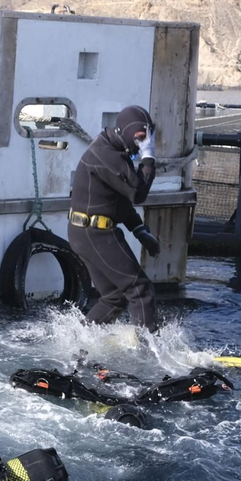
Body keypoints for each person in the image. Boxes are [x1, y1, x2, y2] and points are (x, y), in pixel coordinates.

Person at [68, 105, 162, 331]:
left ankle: (81, 342)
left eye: (148, 138)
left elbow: (118, 201)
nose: (143, 143)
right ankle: (148, 353)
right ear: (128, 133)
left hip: (86, 232)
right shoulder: (107, 156)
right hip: (95, 233)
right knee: (140, 290)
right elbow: (138, 193)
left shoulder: (112, 149)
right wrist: (148, 158)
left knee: (114, 297)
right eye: (140, 138)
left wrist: (140, 231)